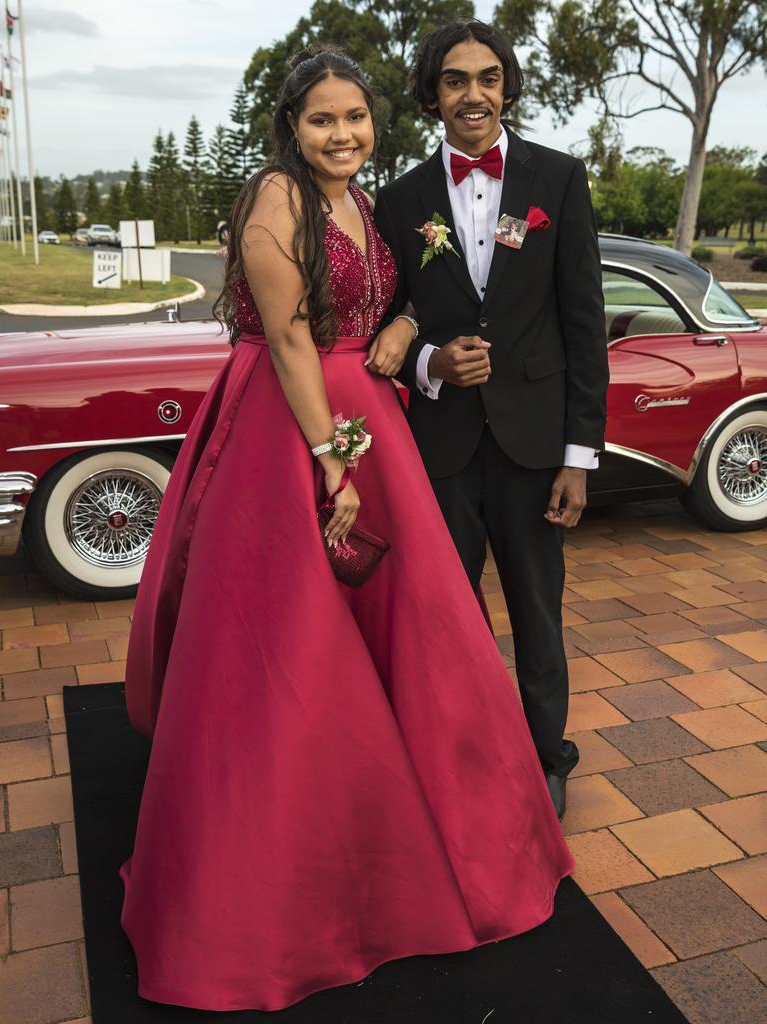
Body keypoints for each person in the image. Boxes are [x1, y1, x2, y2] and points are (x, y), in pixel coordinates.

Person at [120, 48, 574, 1014]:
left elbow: (393, 299)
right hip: (289, 428)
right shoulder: (273, 200)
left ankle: (433, 823)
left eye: (357, 119)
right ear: (292, 124)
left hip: (369, 418)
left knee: (417, 629)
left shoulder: (367, 204)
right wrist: (330, 457)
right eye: (324, 120)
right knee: (284, 642)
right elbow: (287, 336)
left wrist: (404, 332)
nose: (343, 134)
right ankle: (277, 873)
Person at [371, 20, 609, 820]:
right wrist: (431, 364)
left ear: (507, 87)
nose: (472, 93)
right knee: (451, 619)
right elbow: (385, 324)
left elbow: (583, 323)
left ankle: (547, 759)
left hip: (537, 445)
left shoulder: (559, 179)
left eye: (487, 78)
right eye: (453, 79)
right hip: (440, 446)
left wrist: (579, 456)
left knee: (539, 616)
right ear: (431, 93)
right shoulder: (399, 200)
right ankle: (469, 757)